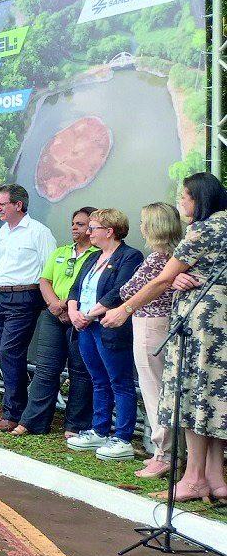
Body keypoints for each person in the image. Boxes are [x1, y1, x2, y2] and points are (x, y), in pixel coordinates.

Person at [104, 172, 227, 502]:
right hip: (221, 320)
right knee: (212, 399)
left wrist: (124, 309)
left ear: (199, 198)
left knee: (190, 396)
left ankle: (194, 479)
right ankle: (215, 478)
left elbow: (161, 280)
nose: (181, 203)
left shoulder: (202, 230)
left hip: (201, 323)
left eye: (184, 197)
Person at [12, 207, 98, 438]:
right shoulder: (61, 251)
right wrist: (54, 305)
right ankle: (33, 422)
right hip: (53, 316)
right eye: (73, 223)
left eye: (80, 224)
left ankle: (75, 426)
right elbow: (45, 280)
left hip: (81, 318)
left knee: (80, 373)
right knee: (46, 370)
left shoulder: (98, 256)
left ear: (93, 228)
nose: (74, 227)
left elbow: (89, 287)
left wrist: (68, 306)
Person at [65, 209, 144, 461]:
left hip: (108, 326)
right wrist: (73, 310)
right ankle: (99, 430)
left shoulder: (129, 256)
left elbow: (120, 292)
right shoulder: (94, 256)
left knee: (119, 381)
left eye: (93, 228)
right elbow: (76, 287)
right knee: (98, 379)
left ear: (109, 231)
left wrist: (88, 314)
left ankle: (122, 437)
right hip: (87, 326)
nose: (88, 232)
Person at [111, 203, 183, 478]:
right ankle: (167, 453)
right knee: (164, 390)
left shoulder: (157, 260)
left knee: (154, 392)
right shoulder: (176, 256)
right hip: (163, 325)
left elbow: (128, 290)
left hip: (150, 326)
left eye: (143, 221)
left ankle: (164, 455)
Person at [0, 183, 57, 432]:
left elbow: (48, 271)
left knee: (10, 351)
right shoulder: (4, 231)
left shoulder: (39, 232)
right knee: (3, 353)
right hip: (0, 296)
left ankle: (14, 413)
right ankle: (15, 407)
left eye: (2, 204)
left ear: (18, 205)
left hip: (24, 297)